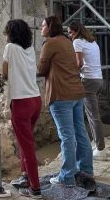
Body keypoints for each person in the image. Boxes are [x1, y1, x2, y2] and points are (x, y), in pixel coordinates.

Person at [37, 16, 93, 187]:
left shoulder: (50, 43)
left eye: (43, 26)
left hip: (61, 94)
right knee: (80, 132)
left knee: (67, 136)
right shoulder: (68, 41)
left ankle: (67, 177)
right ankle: (86, 170)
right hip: (76, 91)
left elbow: (41, 69)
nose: (41, 28)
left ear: (50, 27)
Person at [2, 19, 42, 199]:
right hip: (35, 99)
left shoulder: (10, 48)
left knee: (27, 147)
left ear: (11, 34)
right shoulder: (30, 49)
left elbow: (3, 73)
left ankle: (35, 188)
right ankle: (26, 175)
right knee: (26, 142)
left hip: (21, 102)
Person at [68, 21, 106, 160]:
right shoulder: (92, 41)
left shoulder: (77, 42)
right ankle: (97, 143)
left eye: (71, 32)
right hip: (99, 80)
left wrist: (70, 72)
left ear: (76, 32)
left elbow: (79, 63)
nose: (69, 35)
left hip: (88, 80)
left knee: (93, 116)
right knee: (94, 115)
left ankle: (101, 150)